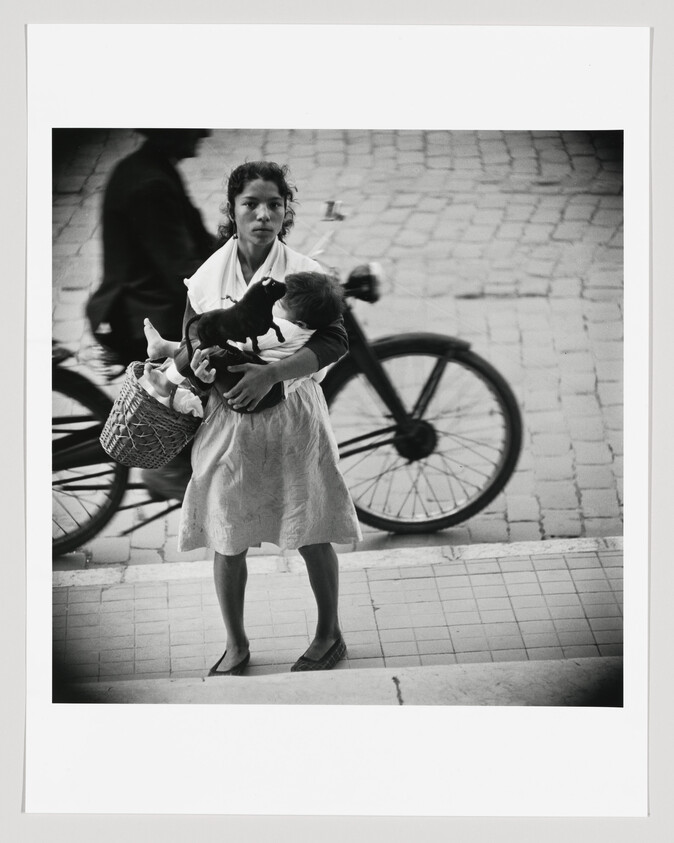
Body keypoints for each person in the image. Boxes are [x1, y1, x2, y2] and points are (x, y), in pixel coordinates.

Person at [148, 161, 362, 676]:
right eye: (251, 204)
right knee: (226, 533)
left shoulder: (305, 272)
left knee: (311, 527)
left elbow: (335, 339)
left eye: (273, 204)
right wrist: (197, 368)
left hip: (293, 418)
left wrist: (272, 374)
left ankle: (329, 634)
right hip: (228, 424)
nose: (263, 214)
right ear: (233, 211)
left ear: (286, 211)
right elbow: (196, 340)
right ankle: (236, 644)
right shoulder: (205, 280)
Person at [86, 129, 218, 500]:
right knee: (210, 340)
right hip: (139, 312)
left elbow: (198, 241)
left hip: (147, 294)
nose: (204, 132)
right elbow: (181, 269)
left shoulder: (153, 167)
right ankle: (170, 466)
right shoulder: (149, 183)